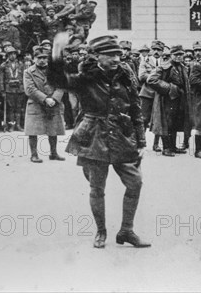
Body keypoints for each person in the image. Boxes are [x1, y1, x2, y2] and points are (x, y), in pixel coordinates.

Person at [51, 34, 149, 249]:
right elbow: (59, 81)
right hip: (94, 135)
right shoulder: (86, 78)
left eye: (118, 54)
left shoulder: (125, 75)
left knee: (135, 182)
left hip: (123, 136)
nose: (116, 59)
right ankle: (101, 231)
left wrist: (141, 141)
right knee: (97, 188)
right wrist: (56, 54)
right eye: (110, 55)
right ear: (96, 56)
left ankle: (126, 231)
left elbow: (135, 109)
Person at [23, 47, 66, 163]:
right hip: (36, 103)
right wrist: (45, 99)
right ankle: (34, 154)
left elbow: (61, 86)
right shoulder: (28, 72)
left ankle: (54, 153)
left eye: (44, 58)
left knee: (53, 129)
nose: (42, 60)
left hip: (53, 103)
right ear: (33, 58)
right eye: (39, 58)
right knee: (33, 130)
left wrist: (55, 99)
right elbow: (29, 89)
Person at [148, 45, 191, 157]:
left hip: (178, 99)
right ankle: (166, 148)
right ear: (171, 55)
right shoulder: (164, 67)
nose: (178, 57)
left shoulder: (182, 67)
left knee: (175, 122)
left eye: (180, 54)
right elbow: (151, 80)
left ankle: (173, 147)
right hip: (166, 100)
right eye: (176, 54)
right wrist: (170, 88)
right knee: (166, 123)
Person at [138, 40, 164, 151]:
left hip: (160, 94)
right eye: (154, 49)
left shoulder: (165, 62)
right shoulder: (145, 62)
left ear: (162, 51)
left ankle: (156, 144)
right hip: (147, 94)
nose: (156, 52)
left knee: (159, 119)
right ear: (151, 50)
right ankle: (141, 142)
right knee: (144, 119)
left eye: (159, 50)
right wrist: (156, 78)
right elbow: (142, 76)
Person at [0, 46, 26, 131]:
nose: (13, 56)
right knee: (11, 108)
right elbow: (1, 79)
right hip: (9, 89)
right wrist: (2, 90)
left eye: (14, 53)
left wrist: (25, 88)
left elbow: (25, 77)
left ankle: (18, 125)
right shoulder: (3, 65)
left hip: (20, 89)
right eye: (10, 54)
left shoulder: (21, 64)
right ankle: (12, 125)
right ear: (7, 55)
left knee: (19, 107)